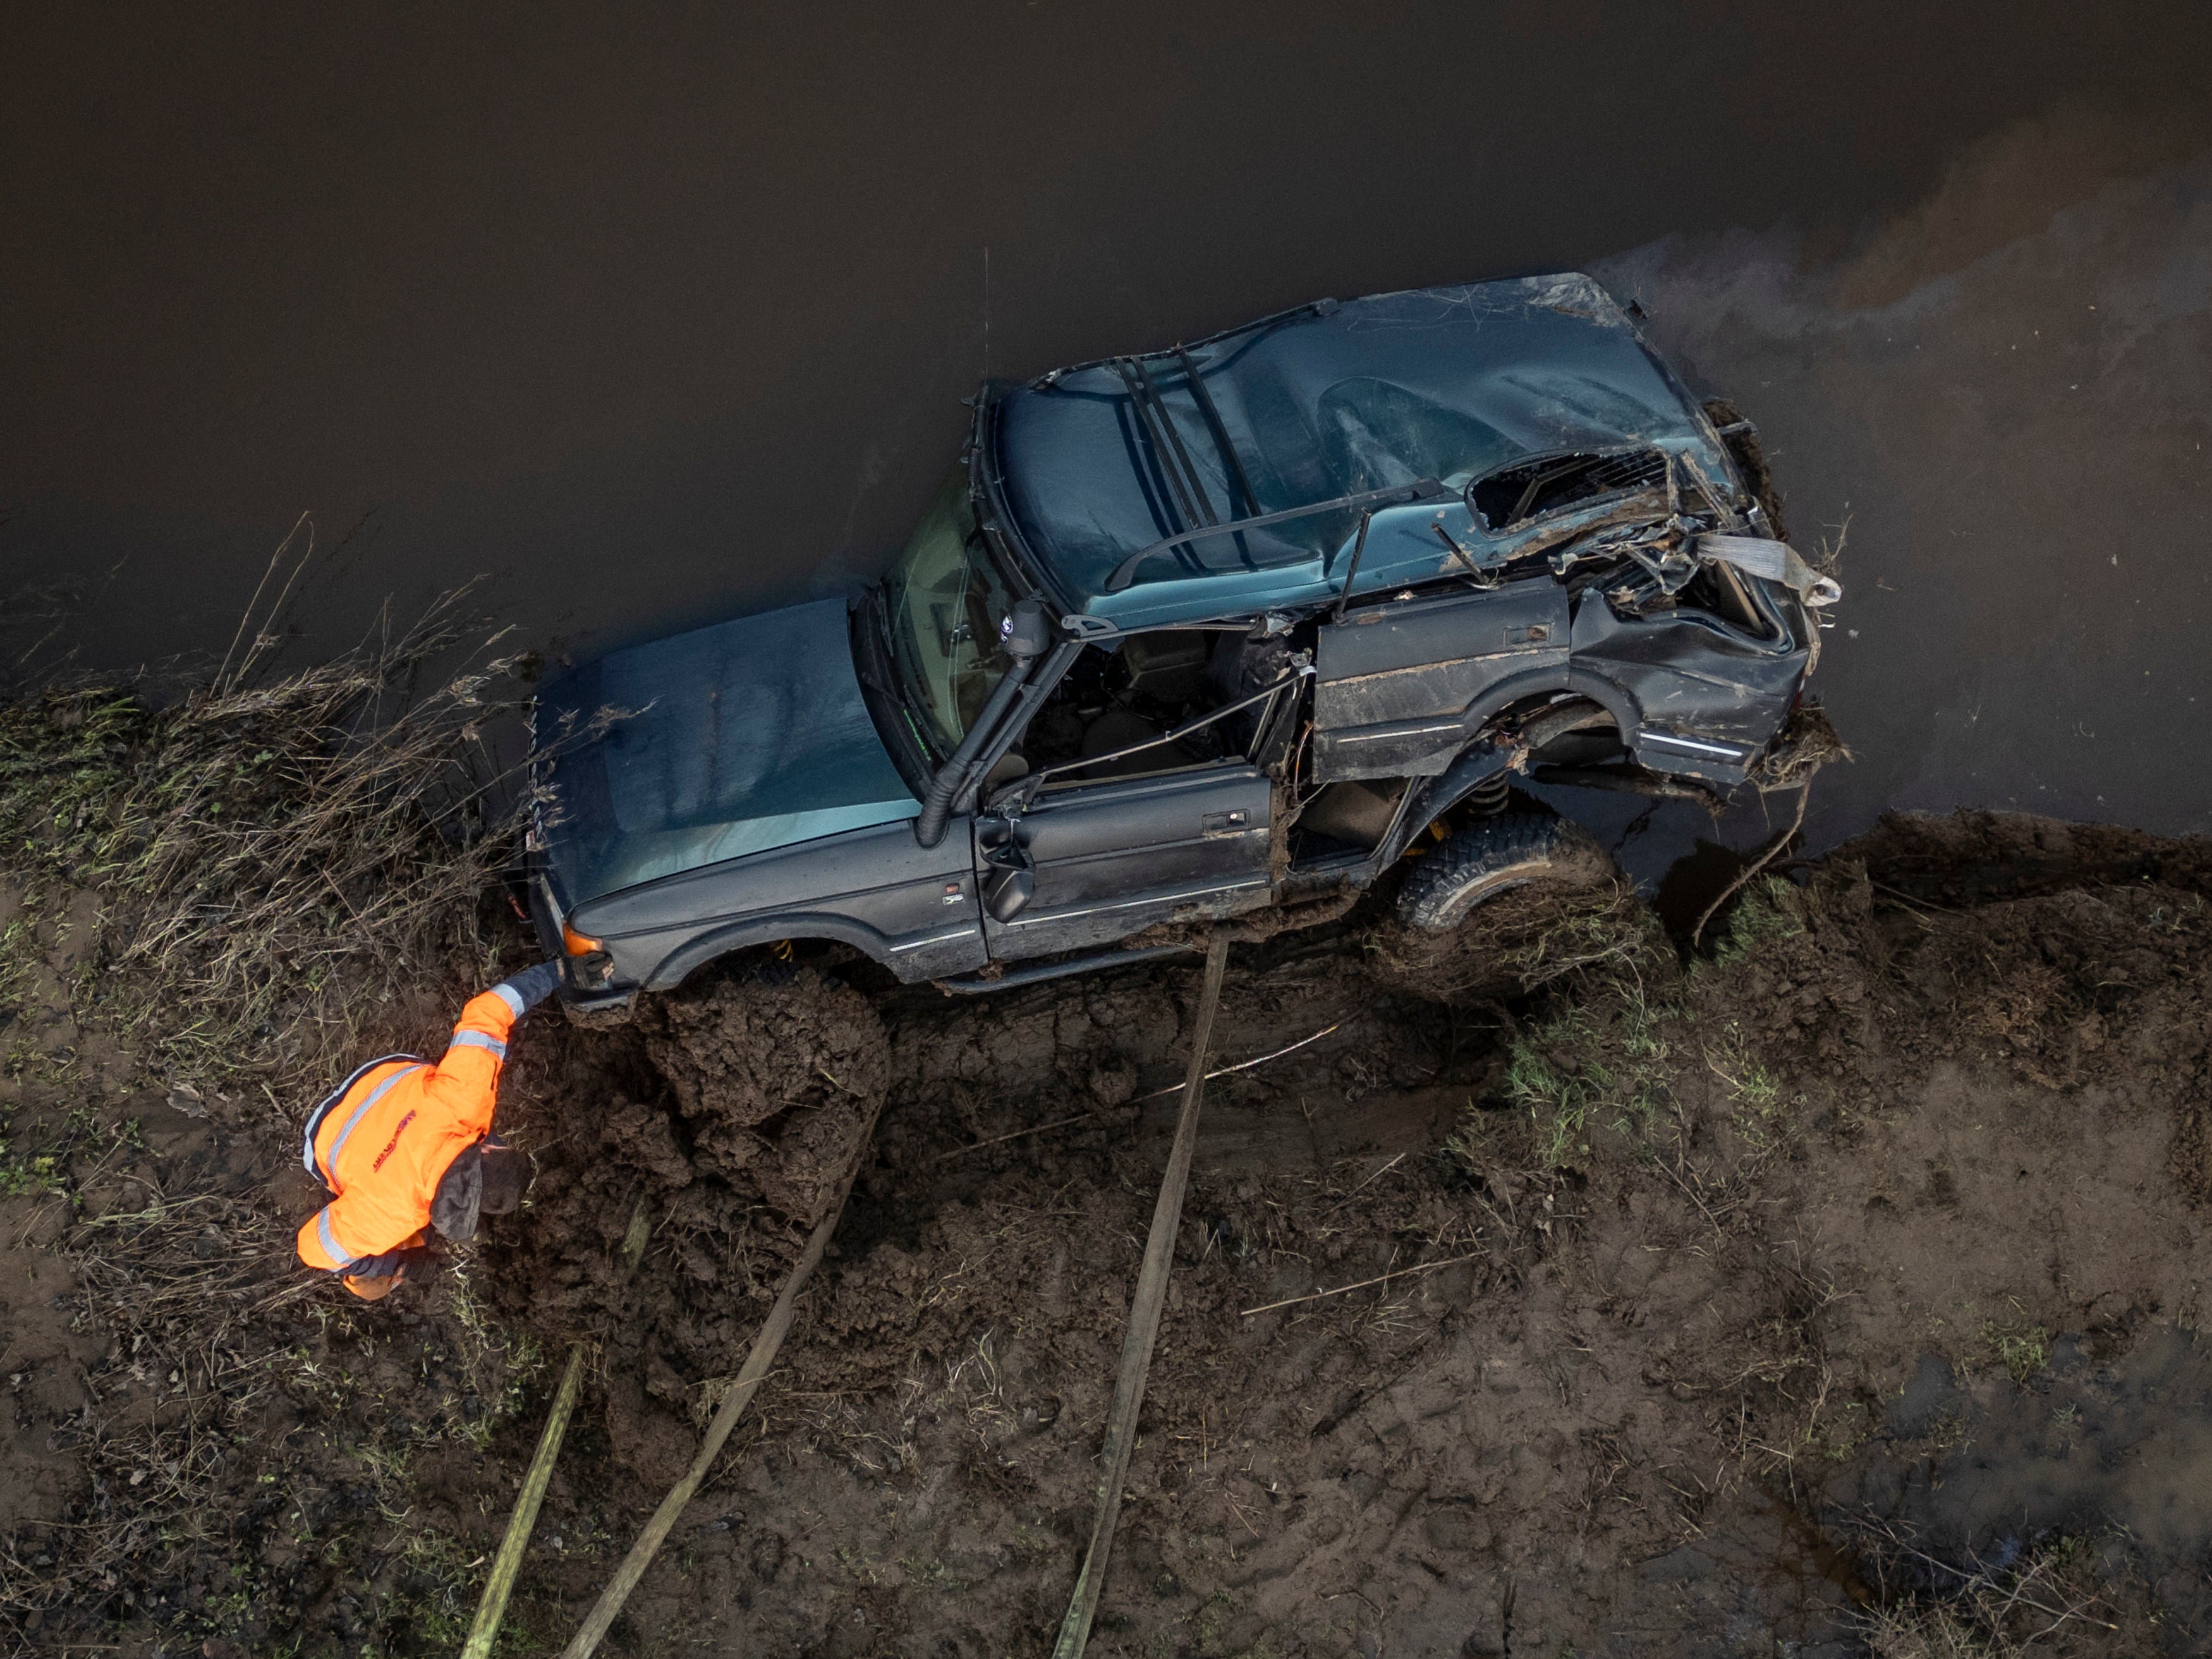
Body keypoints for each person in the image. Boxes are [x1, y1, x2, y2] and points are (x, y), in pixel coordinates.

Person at [295, 961, 563, 1299]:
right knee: (371, 1290)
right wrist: (394, 1265)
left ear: (489, 1151)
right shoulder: (392, 1216)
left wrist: (560, 972)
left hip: (377, 1081)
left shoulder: (464, 1098)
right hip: (320, 1140)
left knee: (475, 1079)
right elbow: (311, 1248)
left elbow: (489, 1010)